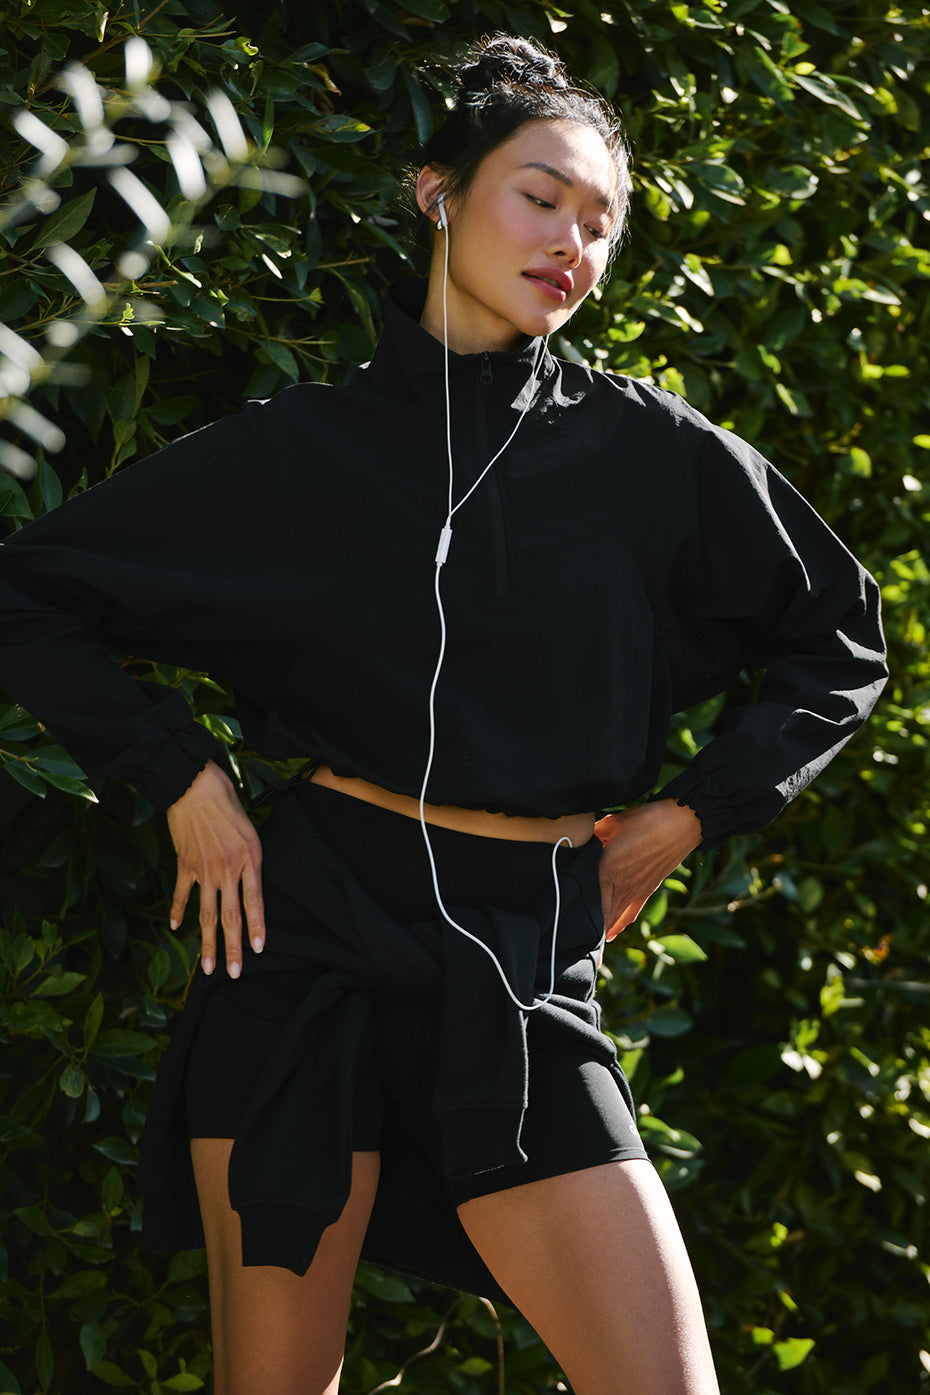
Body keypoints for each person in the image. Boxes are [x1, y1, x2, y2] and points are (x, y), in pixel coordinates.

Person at [0, 33, 886, 1395]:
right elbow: (29, 593)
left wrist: (691, 814)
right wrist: (182, 775)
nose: (572, 244)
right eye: (541, 197)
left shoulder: (650, 455)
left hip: (522, 961)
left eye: (601, 223)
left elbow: (841, 638)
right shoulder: (300, 452)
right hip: (306, 946)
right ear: (438, 194)